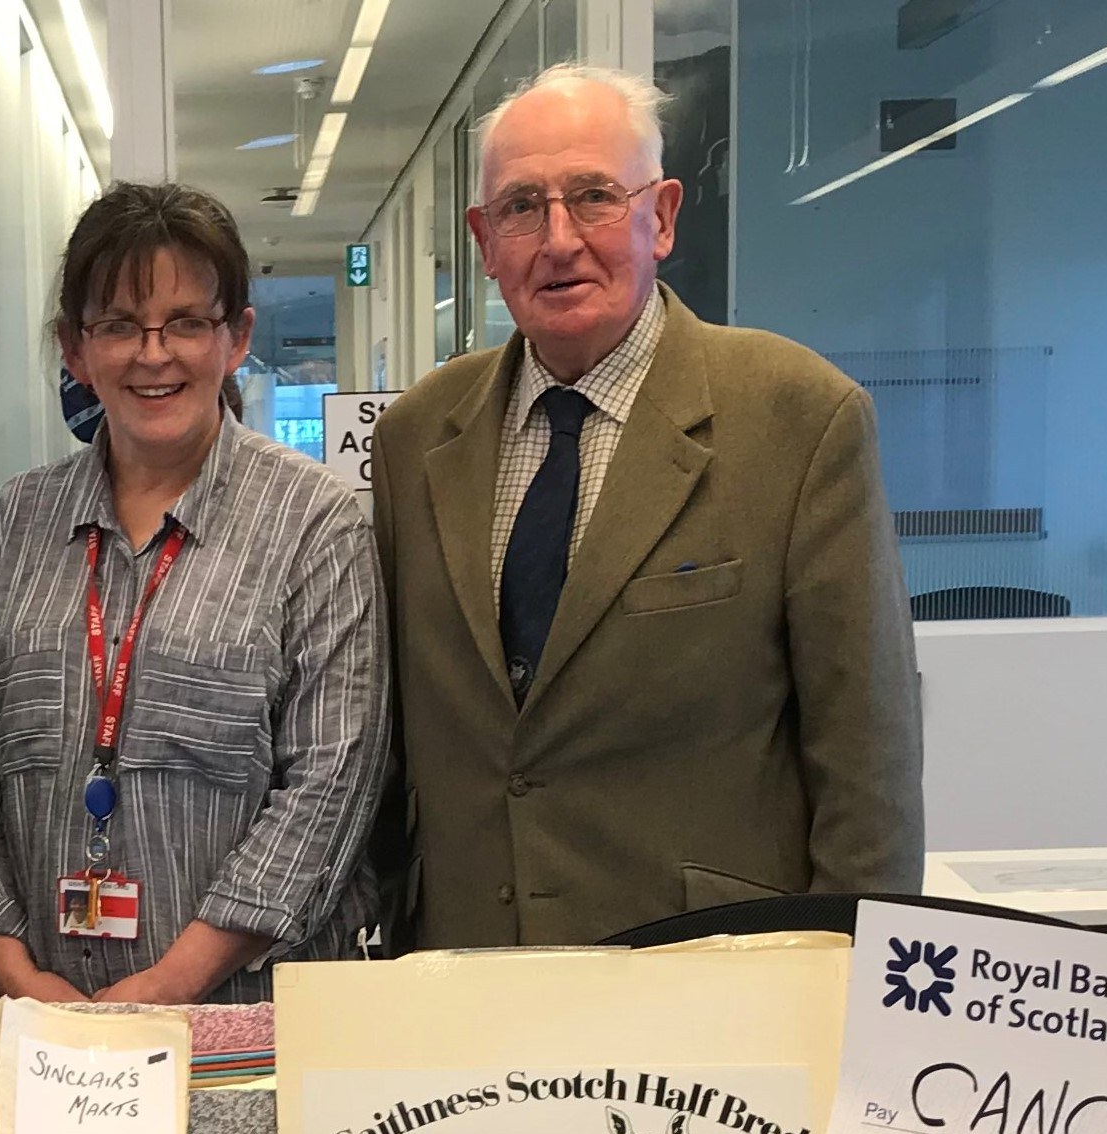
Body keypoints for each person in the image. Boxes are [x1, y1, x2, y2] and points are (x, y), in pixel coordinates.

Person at [369, 64, 922, 948]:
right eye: (521, 206)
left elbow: (869, 767)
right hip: (466, 972)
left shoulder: (798, 417)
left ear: (659, 217)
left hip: (711, 976)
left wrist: (848, 990)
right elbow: (393, 752)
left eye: (592, 196)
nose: (557, 240)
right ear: (483, 239)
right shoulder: (416, 438)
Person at [0, 184, 387, 1005]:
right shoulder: (13, 526)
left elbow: (330, 787)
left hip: (241, 1019)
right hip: (34, 1023)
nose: (154, 354)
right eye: (118, 326)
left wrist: (171, 984)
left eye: (186, 321)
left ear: (236, 336)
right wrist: (17, 977)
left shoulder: (313, 525)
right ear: (75, 349)